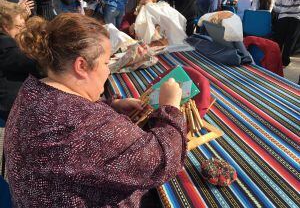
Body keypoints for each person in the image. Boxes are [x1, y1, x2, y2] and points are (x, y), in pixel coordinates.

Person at [4, 13, 187, 207]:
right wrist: (171, 107)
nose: (108, 71)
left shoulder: (33, 91)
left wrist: (111, 106)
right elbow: (162, 162)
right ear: (81, 65)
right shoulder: (83, 125)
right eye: (106, 63)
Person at [0, 0, 41, 121]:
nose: (23, 30)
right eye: (19, 27)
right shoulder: (6, 48)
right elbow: (39, 66)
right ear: (6, 27)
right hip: (11, 106)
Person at [273, 0, 300, 66]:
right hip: (296, 18)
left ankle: (275, 60)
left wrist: (284, 9)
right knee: (290, 41)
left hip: (283, 17)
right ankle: (285, 61)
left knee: (279, 40)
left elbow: (276, 7)